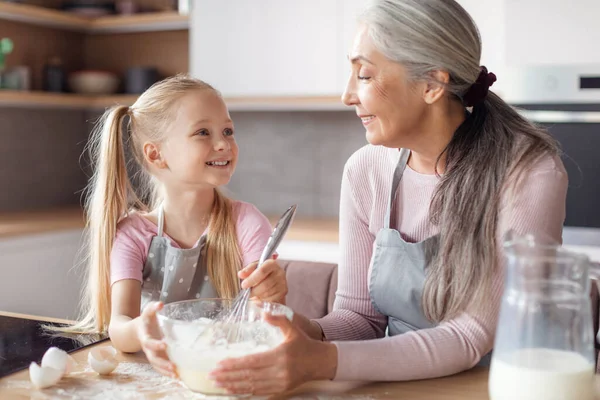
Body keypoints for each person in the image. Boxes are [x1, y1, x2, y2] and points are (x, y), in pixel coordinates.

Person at [208, 0, 568, 395]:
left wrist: (320, 360)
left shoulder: (528, 170)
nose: (347, 95)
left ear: (432, 84)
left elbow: (472, 334)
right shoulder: (365, 171)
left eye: (363, 74)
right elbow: (360, 319)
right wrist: (297, 328)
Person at [58, 75, 287, 378]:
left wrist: (273, 291)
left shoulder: (245, 222)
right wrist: (141, 329)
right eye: (203, 132)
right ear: (156, 154)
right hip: (157, 376)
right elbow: (119, 325)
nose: (223, 144)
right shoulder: (133, 235)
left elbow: (264, 310)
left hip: (227, 371)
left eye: (228, 131)